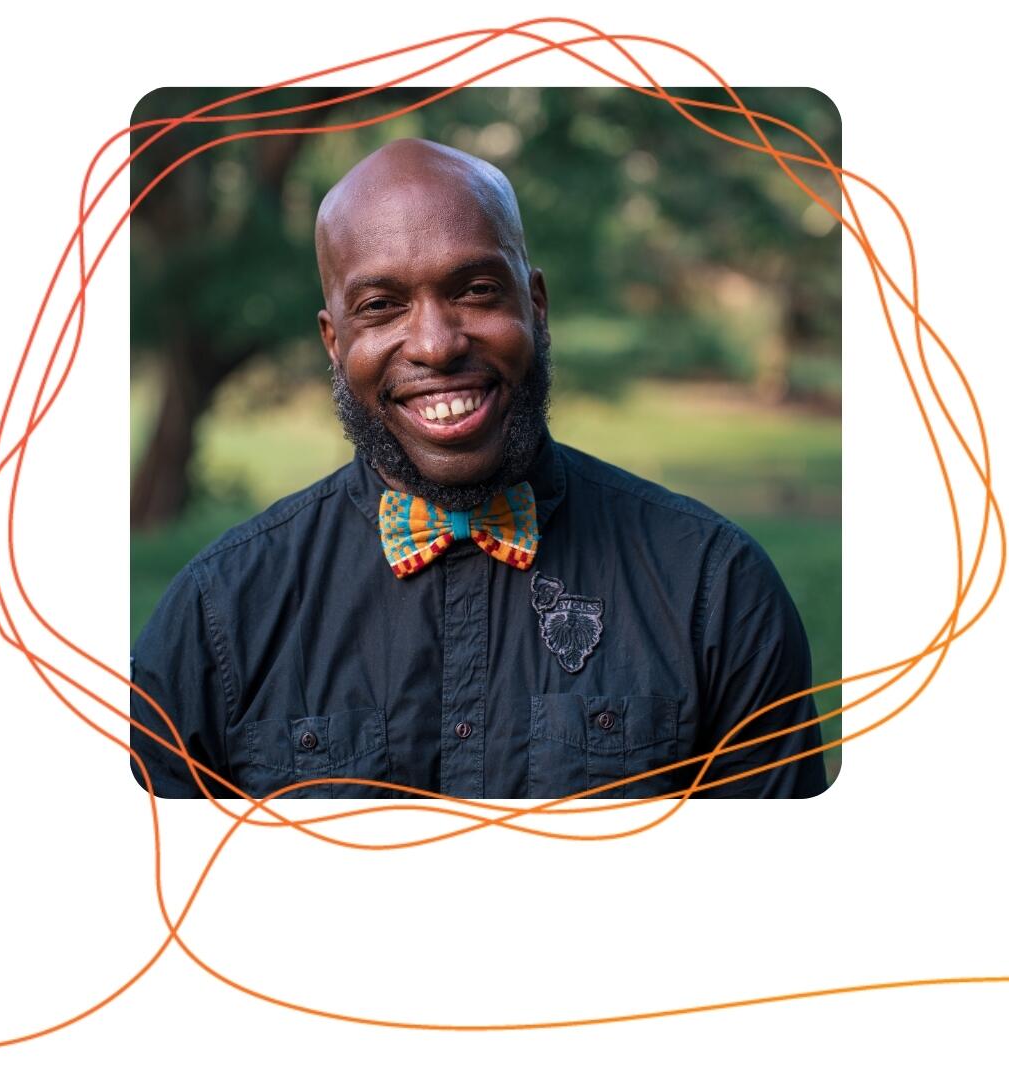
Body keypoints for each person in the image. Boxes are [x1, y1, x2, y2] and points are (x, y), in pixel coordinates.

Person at [130, 138, 828, 800]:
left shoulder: (716, 592)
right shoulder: (218, 616)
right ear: (334, 341)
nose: (435, 345)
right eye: (381, 306)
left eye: (475, 290)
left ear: (537, 306)